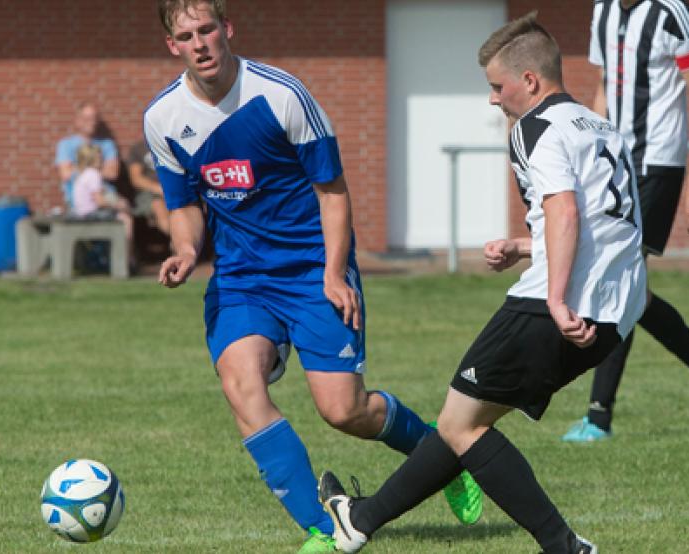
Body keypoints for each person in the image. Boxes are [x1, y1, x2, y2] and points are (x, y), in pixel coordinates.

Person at [142, 1, 481, 552]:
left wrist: (333, 274)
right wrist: (184, 248)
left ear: (227, 29)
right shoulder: (162, 118)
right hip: (243, 278)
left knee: (344, 411)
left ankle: (443, 461)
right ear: (172, 45)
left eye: (207, 29)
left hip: (311, 270)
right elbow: (183, 203)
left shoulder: (281, 95)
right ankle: (323, 531)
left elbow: (333, 192)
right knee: (240, 385)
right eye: (186, 35)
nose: (200, 42)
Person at [319, 12, 646, 554]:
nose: (495, 100)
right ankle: (361, 520)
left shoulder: (534, 127)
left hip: (559, 304)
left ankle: (564, 546)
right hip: (618, 307)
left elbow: (564, 212)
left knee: (461, 424)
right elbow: (604, 221)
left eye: (498, 87)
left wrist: (558, 298)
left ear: (530, 82)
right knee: (462, 419)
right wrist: (523, 245)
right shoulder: (600, 126)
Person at [560, 0, 689, 442]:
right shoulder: (603, 11)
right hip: (618, 165)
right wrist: (594, 157)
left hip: (658, 164)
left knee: (621, 282)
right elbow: (606, 86)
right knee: (631, 291)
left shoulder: (673, 13)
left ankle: (599, 417)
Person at [70, 144, 136, 261]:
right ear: (91, 159)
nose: (103, 160)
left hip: (80, 212)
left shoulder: (83, 174)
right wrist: (118, 205)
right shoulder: (94, 174)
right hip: (90, 214)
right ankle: (126, 257)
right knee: (125, 218)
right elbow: (100, 201)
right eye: (100, 158)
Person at [55, 102, 120, 211]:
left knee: (124, 216)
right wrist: (97, 169)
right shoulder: (66, 144)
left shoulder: (107, 144)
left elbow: (112, 173)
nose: (92, 122)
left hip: (107, 194)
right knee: (123, 207)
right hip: (78, 199)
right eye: (87, 118)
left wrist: (78, 169)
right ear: (77, 120)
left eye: (94, 118)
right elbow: (65, 174)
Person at [127, 140, 171, 235]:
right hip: (149, 193)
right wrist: (159, 189)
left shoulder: (172, 146)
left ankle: (180, 243)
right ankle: (177, 241)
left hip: (173, 190)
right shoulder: (138, 149)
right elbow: (136, 179)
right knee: (158, 205)